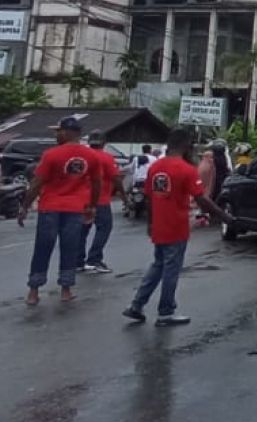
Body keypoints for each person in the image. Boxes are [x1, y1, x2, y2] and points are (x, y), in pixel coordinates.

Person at [123, 128, 232, 326]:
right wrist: (224, 215)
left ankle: (136, 305)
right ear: (185, 145)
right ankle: (165, 312)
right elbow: (202, 200)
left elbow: (149, 198)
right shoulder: (186, 169)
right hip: (176, 226)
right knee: (171, 269)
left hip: (160, 226)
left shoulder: (156, 168)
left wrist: (150, 223)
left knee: (158, 266)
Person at [19, 117, 102, 304]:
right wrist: (92, 206)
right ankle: (66, 289)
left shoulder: (51, 154)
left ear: (67, 132)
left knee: (42, 248)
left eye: (58, 131)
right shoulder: (91, 156)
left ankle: (33, 291)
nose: (56, 134)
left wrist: (25, 206)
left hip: (50, 207)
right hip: (75, 208)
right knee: (70, 248)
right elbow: (97, 183)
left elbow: (37, 182)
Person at [77, 130, 125, 274]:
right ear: (104, 143)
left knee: (82, 230)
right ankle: (94, 259)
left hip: (82, 199)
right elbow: (116, 178)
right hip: (100, 200)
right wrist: (124, 196)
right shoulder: (106, 158)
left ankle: (78, 261)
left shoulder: (82, 157)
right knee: (104, 228)